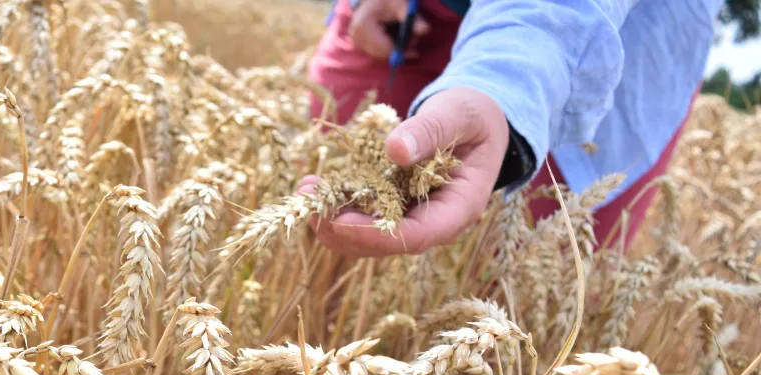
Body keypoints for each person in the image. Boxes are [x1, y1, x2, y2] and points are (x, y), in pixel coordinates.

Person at [304, 0, 722, 257]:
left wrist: (505, 82)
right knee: (328, 252)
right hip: (407, 15)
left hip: (590, 37)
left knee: (528, 289)